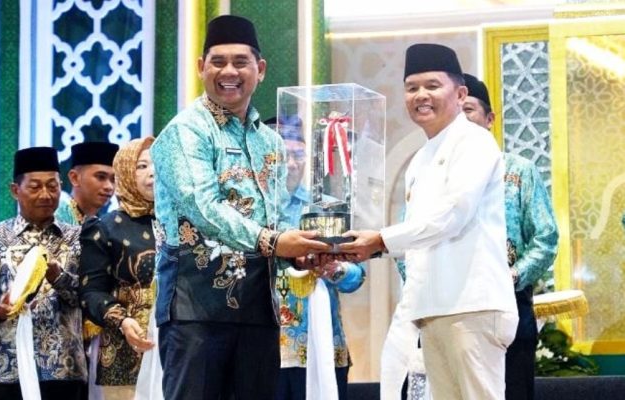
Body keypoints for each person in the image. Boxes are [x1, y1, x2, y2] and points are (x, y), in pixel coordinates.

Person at [150, 15, 330, 400]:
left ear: (260, 70)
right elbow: (203, 207)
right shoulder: (186, 131)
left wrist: (299, 254)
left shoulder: (271, 143)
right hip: (195, 310)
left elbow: (275, 218)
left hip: (258, 309)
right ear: (201, 67)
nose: (229, 71)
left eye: (240, 62)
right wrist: (275, 242)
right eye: (218, 62)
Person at [339, 43, 518, 400]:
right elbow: (420, 239)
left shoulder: (475, 141)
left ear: (460, 94)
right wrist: (369, 248)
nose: (421, 95)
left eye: (432, 86)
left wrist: (380, 240)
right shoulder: (421, 158)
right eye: (412, 88)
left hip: (472, 306)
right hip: (433, 310)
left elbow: (452, 215)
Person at [463, 73, 559, 400]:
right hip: (449, 308)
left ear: (489, 119)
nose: (461, 119)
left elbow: (546, 237)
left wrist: (511, 277)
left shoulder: (519, 170)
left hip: (509, 304)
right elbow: (409, 248)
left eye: (469, 110)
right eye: (455, 112)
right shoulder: (431, 173)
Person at [0, 147, 87, 400]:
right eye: (35, 187)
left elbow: (88, 296)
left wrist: (59, 278)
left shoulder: (78, 238)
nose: (45, 194)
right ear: (15, 190)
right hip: (4, 369)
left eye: (53, 186)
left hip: (63, 369)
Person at [267, 116, 366, 400]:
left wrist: (336, 269)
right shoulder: (254, 208)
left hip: (320, 341)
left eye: (298, 155)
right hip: (264, 344)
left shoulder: (324, 208)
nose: (291, 163)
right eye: (283, 155)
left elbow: (357, 276)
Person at [78, 137, 156, 399]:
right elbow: (91, 292)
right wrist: (122, 320)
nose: (153, 172)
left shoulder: (183, 226)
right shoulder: (105, 228)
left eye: (159, 164)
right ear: (125, 171)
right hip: (125, 348)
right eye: (142, 166)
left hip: (178, 348)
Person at [56, 141, 119, 225]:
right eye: (101, 177)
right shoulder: (54, 219)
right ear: (75, 178)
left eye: (113, 179)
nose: (109, 187)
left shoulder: (104, 224)